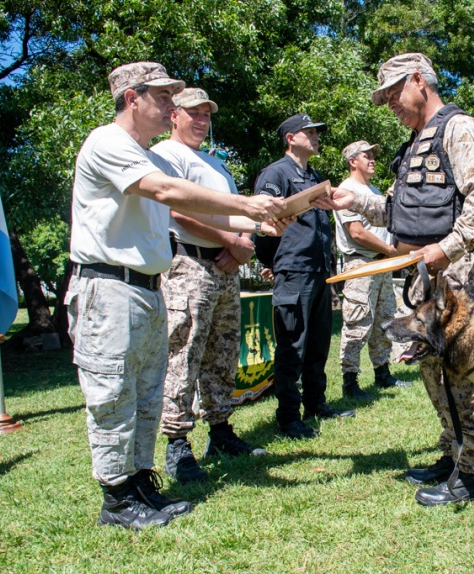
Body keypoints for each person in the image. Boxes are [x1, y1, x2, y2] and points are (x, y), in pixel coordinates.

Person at [67, 62, 288, 530]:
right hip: (108, 288)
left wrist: (257, 223)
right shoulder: (106, 142)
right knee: (112, 395)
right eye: (164, 97)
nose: (172, 108)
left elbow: (185, 200)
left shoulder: (143, 153)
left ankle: (140, 484)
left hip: (145, 286)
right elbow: (169, 191)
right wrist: (248, 205)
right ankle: (116, 499)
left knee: (147, 393)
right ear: (132, 98)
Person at [318, 53, 474, 505]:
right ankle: (453, 452)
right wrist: (353, 201)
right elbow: (397, 213)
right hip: (424, 273)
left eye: (392, 95)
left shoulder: (458, 129)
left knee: (463, 371)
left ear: (418, 81)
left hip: (455, 272)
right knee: (432, 370)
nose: (389, 106)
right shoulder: (414, 142)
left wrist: (448, 248)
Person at [150, 88, 266, 485]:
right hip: (189, 265)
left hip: (226, 269)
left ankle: (220, 431)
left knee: (222, 352)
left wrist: (246, 242)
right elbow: (177, 210)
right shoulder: (167, 155)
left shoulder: (216, 163)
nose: (201, 121)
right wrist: (231, 241)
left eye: (206, 115)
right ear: (174, 116)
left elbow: (235, 214)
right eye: (193, 114)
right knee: (184, 352)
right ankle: (177, 444)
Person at [253, 114, 355, 440]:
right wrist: (273, 261)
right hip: (295, 272)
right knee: (292, 348)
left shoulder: (313, 176)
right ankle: (288, 417)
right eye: (309, 132)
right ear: (290, 138)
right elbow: (264, 222)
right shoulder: (276, 173)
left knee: (317, 346)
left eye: (316, 132)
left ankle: (315, 405)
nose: (316, 136)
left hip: (319, 272)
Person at [334, 140, 411, 400]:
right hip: (361, 263)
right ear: (352, 161)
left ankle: (382, 372)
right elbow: (356, 232)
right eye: (366, 155)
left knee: (383, 319)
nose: (372, 159)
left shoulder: (373, 189)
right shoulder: (346, 189)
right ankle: (350, 380)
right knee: (358, 320)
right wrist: (390, 251)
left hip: (382, 263)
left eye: (373, 155)